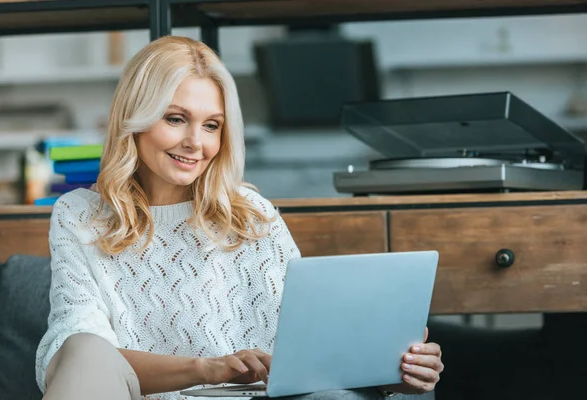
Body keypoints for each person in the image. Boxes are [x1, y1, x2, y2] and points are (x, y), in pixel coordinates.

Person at [35, 36, 444, 400]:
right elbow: (77, 356)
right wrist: (206, 368)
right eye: (176, 119)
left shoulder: (252, 215)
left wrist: (395, 374)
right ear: (136, 118)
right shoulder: (79, 215)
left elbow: (313, 351)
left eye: (211, 125)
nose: (196, 143)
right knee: (84, 349)